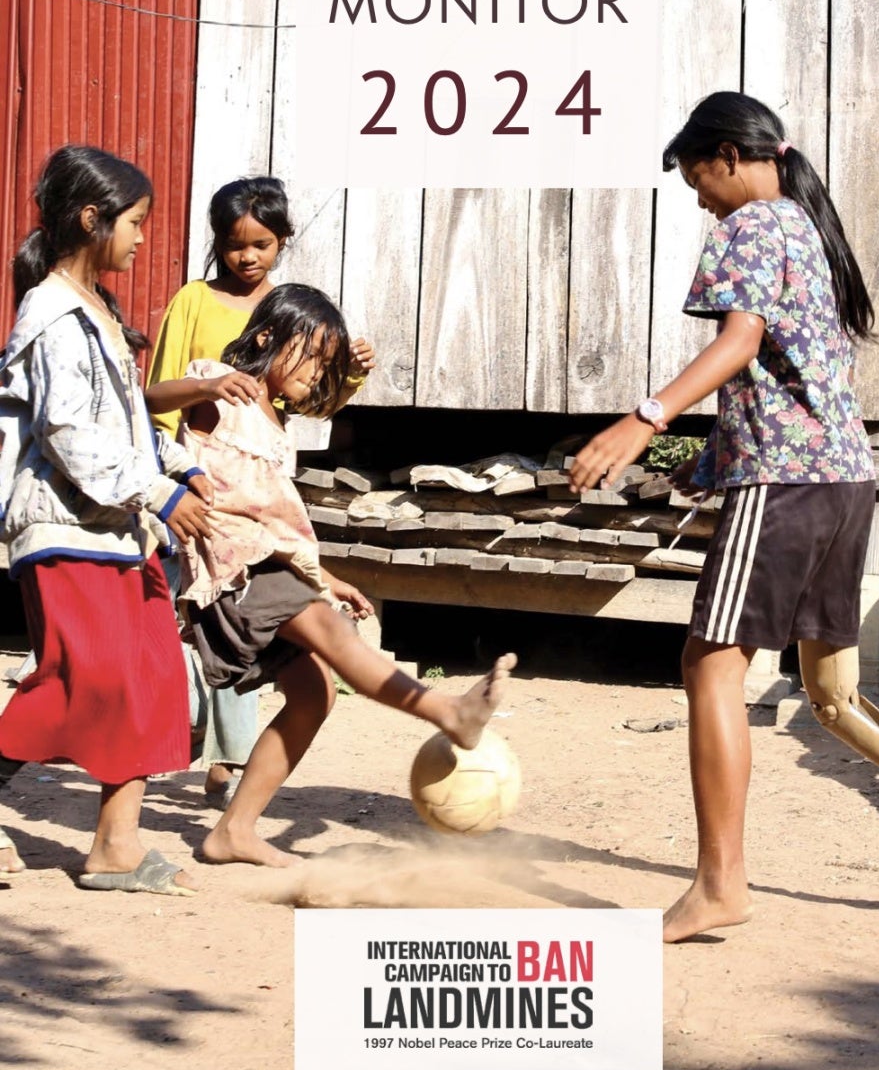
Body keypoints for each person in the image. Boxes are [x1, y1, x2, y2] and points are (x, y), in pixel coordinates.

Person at [569, 90, 879, 943]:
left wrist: (644, 419)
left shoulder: (749, 225)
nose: (699, 196)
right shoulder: (804, 229)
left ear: (732, 156)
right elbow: (783, 371)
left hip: (786, 482)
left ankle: (720, 885)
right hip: (844, 480)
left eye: (698, 177)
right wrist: (707, 463)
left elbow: (739, 343)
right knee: (834, 697)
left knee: (710, 667)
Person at [148, 282, 515, 868]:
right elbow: (150, 397)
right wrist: (206, 383)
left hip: (269, 563)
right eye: (312, 356)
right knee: (339, 642)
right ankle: (447, 711)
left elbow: (277, 519)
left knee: (315, 693)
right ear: (267, 338)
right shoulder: (217, 388)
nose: (317, 373)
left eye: (326, 365)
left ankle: (234, 831)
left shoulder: (274, 423)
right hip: (232, 565)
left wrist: (324, 578)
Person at [0, 145, 213, 893]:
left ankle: (116, 847)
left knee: (152, 677)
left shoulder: (103, 313)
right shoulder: (52, 312)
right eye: (133, 222)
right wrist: (155, 492)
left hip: (118, 528)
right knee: (76, 681)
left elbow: (120, 426)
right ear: (91, 220)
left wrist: (181, 467)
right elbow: (67, 432)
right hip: (65, 526)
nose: (141, 238)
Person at [145, 176, 375, 808]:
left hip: (255, 495)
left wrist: (349, 373)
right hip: (189, 485)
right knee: (203, 625)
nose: (248, 257)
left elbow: (307, 405)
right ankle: (188, 752)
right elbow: (163, 390)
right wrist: (165, 477)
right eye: (235, 245)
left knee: (250, 633)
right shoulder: (194, 300)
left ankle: (228, 770)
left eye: (262, 245)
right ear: (218, 243)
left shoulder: (293, 308)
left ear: (282, 244)